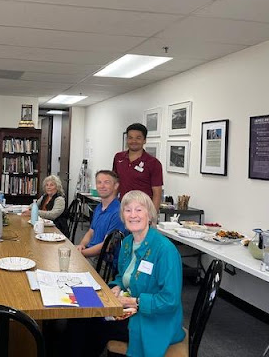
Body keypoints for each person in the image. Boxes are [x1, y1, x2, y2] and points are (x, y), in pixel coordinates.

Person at [70, 190, 185, 357]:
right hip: (127, 308)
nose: (133, 215)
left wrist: (132, 301)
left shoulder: (165, 251)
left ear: (150, 215)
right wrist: (117, 287)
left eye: (139, 210)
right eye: (128, 210)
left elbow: (170, 300)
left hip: (154, 319)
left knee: (91, 325)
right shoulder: (128, 243)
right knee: (80, 313)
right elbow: (123, 277)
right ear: (122, 216)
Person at [113, 123, 163, 210]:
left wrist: (152, 217)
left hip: (143, 210)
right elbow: (115, 184)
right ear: (127, 139)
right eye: (130, 138)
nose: (133, 141)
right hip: (122, 208)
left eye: (138, 138)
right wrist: (111, 206)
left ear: (144, 140)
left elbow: (157, 193)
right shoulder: (118, 157)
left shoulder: (153, 163)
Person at [76, 170, 126, 258]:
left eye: (107, 182)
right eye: (99, 182)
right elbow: (91, 232)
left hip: (102, 261)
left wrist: (81, 254)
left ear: (116, 186)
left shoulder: (118, 212)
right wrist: (81, 245)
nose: (102, 186)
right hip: (89, 252)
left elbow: (107, 246)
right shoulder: (99, 207)